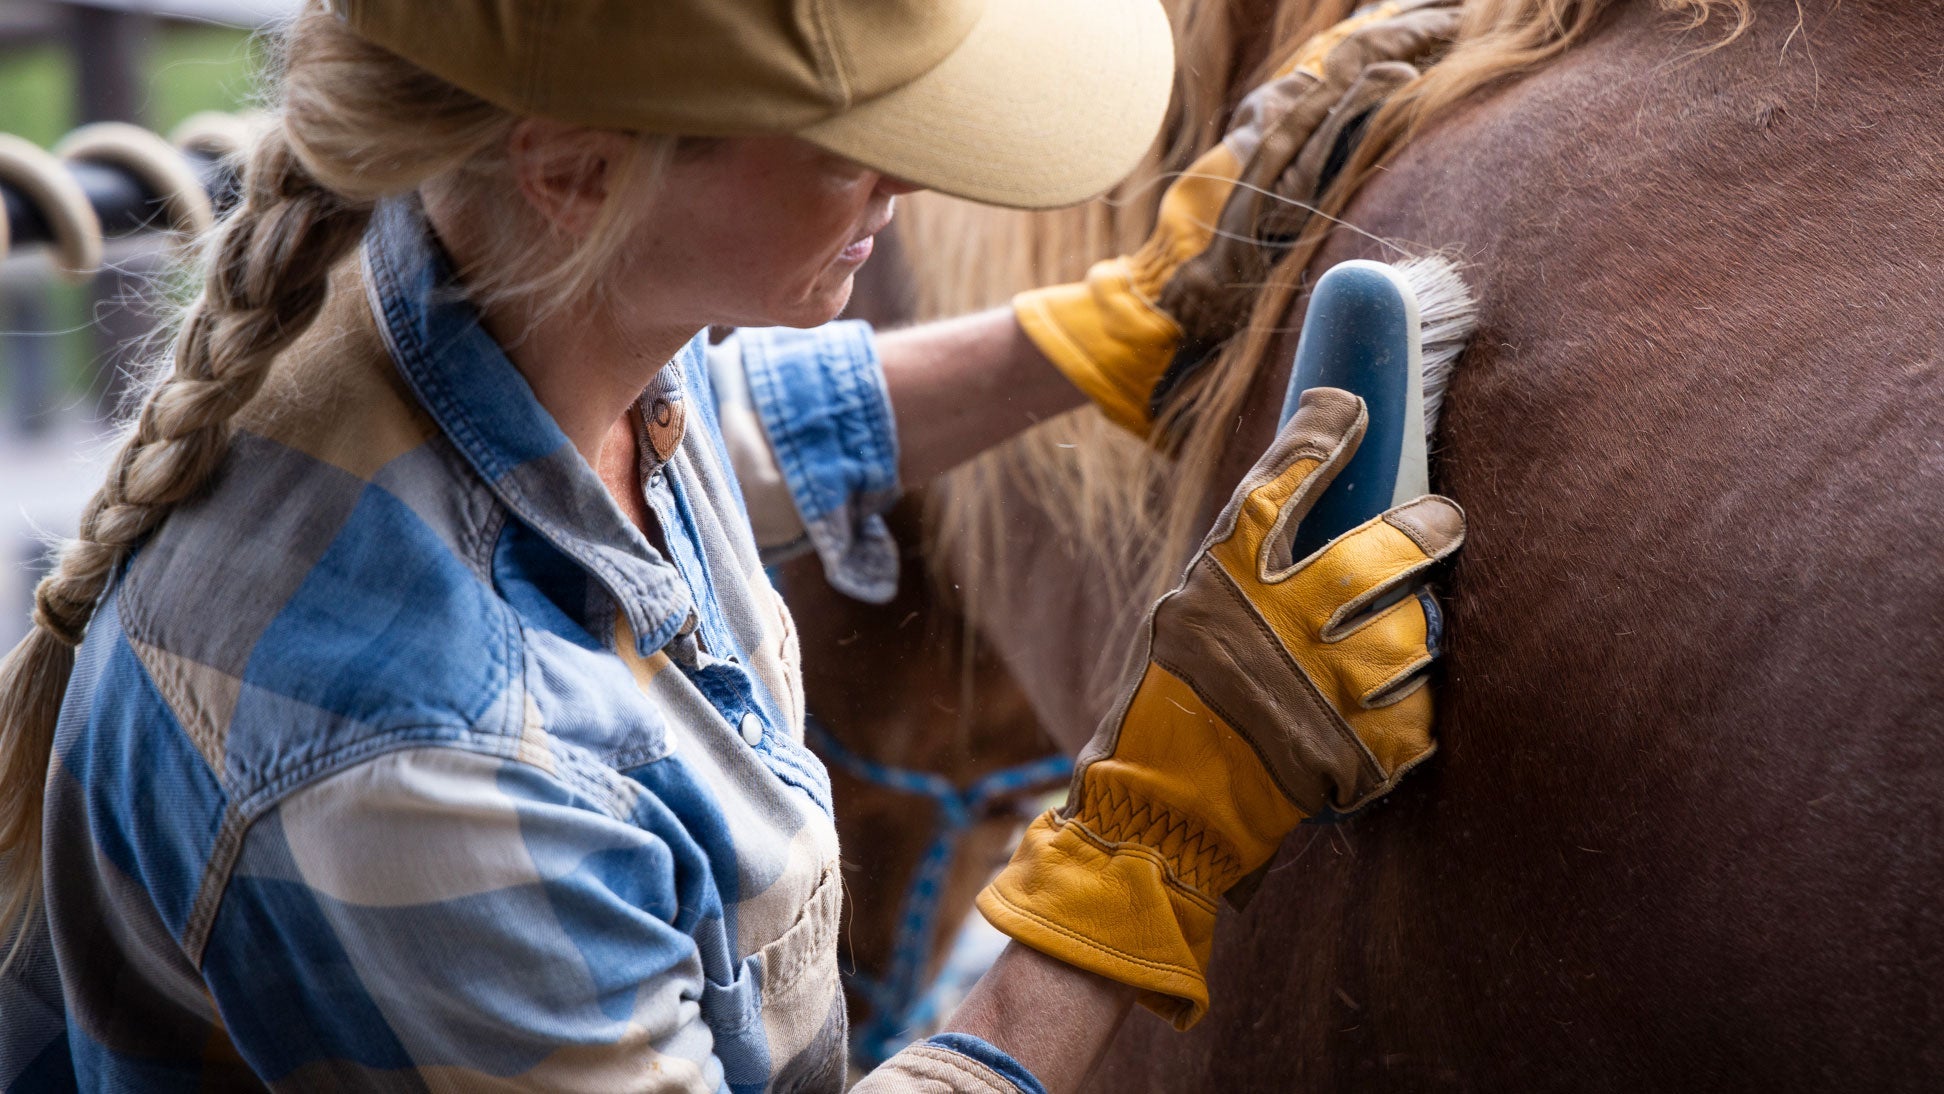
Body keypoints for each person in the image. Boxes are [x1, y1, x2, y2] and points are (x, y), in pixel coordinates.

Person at [0, 0, 1464, 1090]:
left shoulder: (487, 289)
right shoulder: (421, 763)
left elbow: (700, 429)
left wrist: (1090, 335)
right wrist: (1149, 839)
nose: (912, 187)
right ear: (576, 171)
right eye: (863, 146)